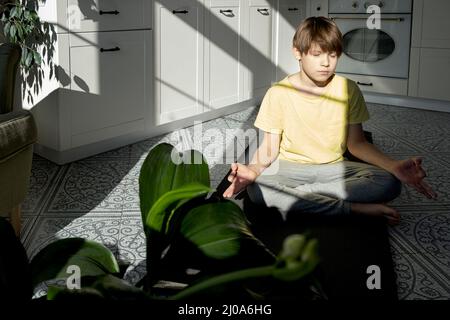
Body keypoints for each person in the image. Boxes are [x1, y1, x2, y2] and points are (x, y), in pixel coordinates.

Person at [223, 16, 437, 224]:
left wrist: (394, 166)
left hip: (334, 168)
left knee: (389, 183)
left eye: (333, 55)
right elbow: (270, 147)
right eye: (317, 54)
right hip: (291, 168)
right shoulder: (278, 93)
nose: (326, 63)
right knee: (258, 188)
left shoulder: (348, 89)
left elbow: (357, 143)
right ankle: (353, 209)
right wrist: (253, 170)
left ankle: (300, 199)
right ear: (298, 52)